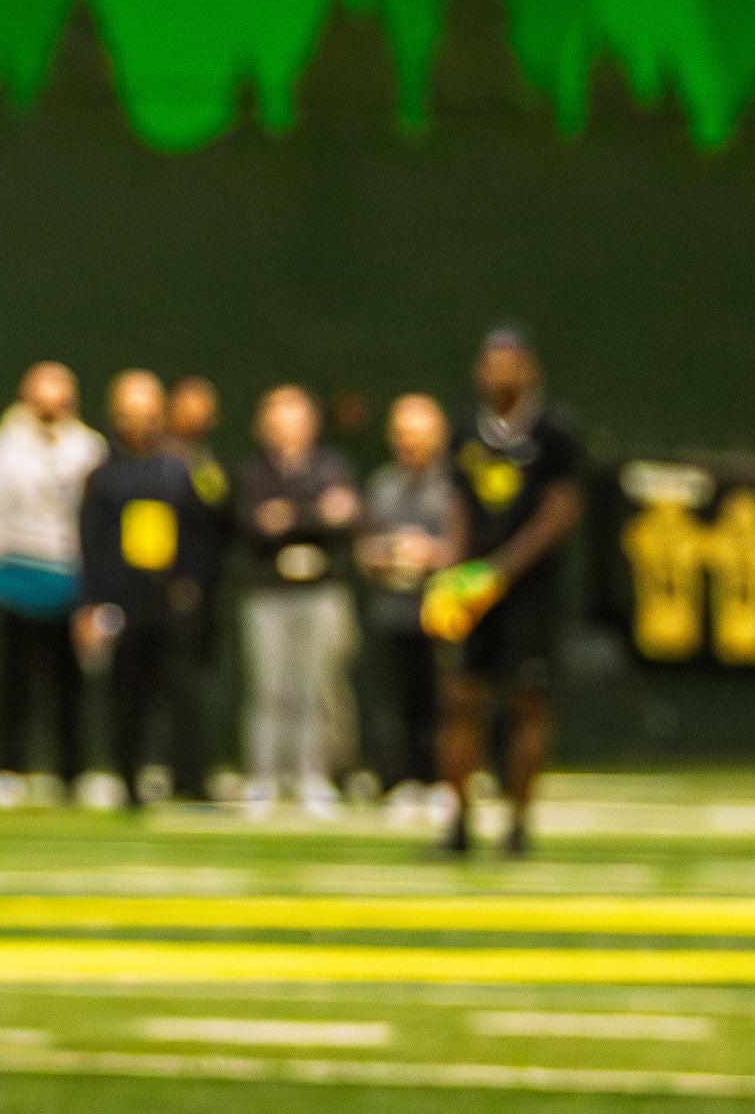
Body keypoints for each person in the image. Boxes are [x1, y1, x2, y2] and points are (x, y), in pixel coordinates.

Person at [427, 327, 587, 857]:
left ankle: (518, 823)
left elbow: (562, 511)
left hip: (529, 594)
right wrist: (456, 570)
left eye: (509, 364)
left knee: (527, 702)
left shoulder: (553, 434)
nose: (498, 374)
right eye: (490, 364)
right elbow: (456, 506)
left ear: (529, 370)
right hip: (475, 593)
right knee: (461, 700)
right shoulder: (466, 434)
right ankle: (458, 823)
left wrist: (503, 570)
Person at [0, 360, 104, 803]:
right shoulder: (2, 448)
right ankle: (8, 768)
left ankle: (72, 772)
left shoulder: (88, 448)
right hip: (20, 576)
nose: (51, 408)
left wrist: (98, 584)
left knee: (70, 683)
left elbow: (100, 518)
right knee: (15, 681)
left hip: (70, 578)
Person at [73, 372, 204, 809]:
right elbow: (90, 544)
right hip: (120, 601)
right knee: (126, 695)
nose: (140, 424)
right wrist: (91, 605)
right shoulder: (103, 477)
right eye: (131, 414)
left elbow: (196, 534)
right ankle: (128, 778)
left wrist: (188, 584)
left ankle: (189, 776)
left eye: (149, 414)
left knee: (181, 690)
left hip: (168, 600)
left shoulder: (178, 472)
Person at [236, 384, 359, 819]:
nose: (288, 427)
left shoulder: (330, 464)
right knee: (269, 687)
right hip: (267, 593)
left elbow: (345, 513)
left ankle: (312, 776)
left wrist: (291, 515)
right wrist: (314, 513)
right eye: (279, 417)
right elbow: (255, 522)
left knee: (316, 688)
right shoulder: (253, 472)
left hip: (321, 592)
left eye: (297, 416)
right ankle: (264, 778)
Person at [357, 393, 462, 821]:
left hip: (443, 612)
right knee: (398, 700)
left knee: (443, 698)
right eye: (402, 434)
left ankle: (444, 779)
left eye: (418, 434)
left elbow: (465, 547)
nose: (410, 443)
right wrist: (386, 555)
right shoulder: (382, 485)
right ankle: (403, 779)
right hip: (393, 609)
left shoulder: (454, 485)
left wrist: (430, 554)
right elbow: (363, 548)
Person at [160, 376, 234, 799]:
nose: (196, 416)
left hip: (203, 591)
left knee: (191, 684)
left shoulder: (209, 464)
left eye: (204, 408)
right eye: (188, 406)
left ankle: (189, 771)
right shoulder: (159, 463)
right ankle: (168, 770)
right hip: (159, 590)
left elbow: (222, 520)